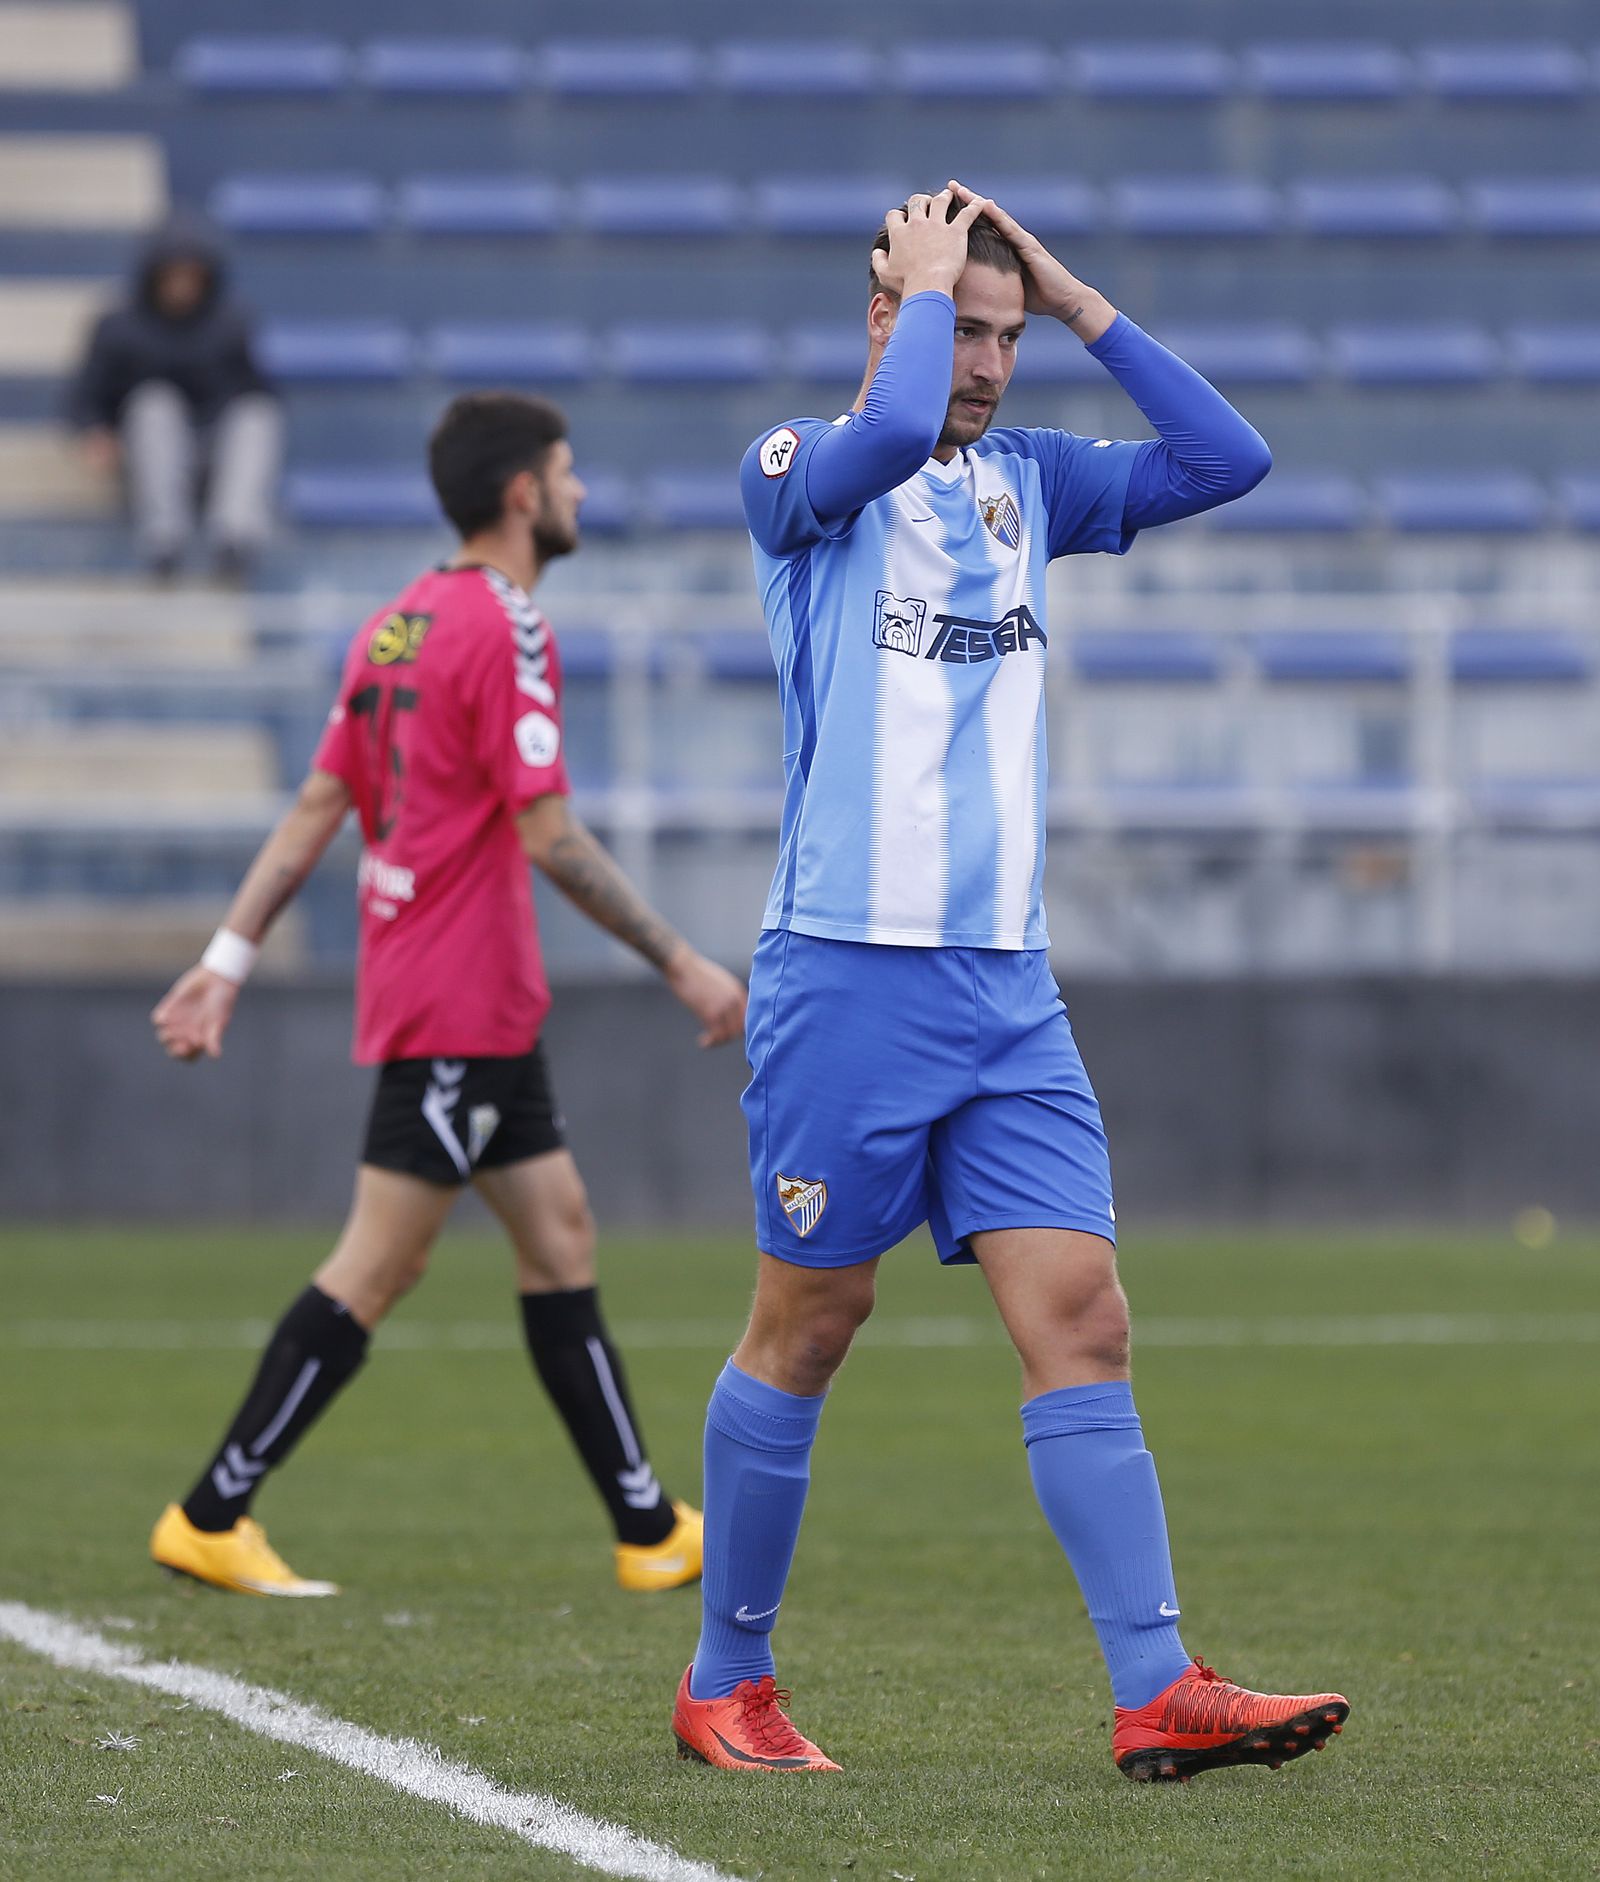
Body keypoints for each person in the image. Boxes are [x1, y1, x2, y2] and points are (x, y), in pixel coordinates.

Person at [670, 185, 1349, 1783]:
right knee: (811, 1318)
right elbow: (892, 432)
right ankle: (727, 1679)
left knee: (1085, 1319)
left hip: (1007, 994)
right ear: (885, 316)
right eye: (956, 328)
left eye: (1000, 334)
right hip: (847, 972)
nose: (983, 362)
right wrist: (921, 294)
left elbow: (1226, 459)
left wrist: (1077, 296)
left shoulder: (1030, 483)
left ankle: (1152, 1681)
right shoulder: (798, 473)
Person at [149, 391, 745, 1599]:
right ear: (523, 493)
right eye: (568, 474)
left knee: (559, 1229)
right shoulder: (512, 625)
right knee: (377, 1265)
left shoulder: (396, 623)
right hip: (459, 1000)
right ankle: (213, 1509)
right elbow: (549, 833)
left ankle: (647, 1528)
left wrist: (225, 961)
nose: (579, 493)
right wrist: (679, 957)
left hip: (460, 999)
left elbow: (322, 805)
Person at [68, 215, 282, 579]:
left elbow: (258, 390)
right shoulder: (118, 326)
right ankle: (164, 541)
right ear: (154, 275)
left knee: (257, 414)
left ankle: (233, 539)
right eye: (173, 274)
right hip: (146, 454)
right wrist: (96, 431)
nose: (182, 286)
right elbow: (84, 398)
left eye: (191, 275)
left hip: (216, 451)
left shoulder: (231, 323)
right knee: (154, 403)